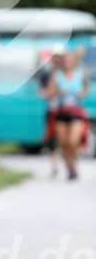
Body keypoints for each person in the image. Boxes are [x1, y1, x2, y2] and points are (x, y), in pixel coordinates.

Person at [46, 50, 89, 179]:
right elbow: (50, 93)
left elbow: (86, 88)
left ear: (74, 62)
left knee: (72, 141)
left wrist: (82, 93)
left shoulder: (80, 73)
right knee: (64, 143)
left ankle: (73, 162)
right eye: (66, 61)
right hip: (61, 112)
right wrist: (59, 92)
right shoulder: (56, 75)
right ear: (63, 62)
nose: (68, 63)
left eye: (70, 61)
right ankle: (70, 167)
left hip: (76, 112)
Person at [38, 47, 65, 178]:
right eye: (54, 57)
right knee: (50, 139)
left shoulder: (68, 73)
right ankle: (55, 166)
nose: (56, 59)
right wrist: (52, 93)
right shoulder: (46, 74)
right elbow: (41, 92)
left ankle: (68, 163)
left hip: (65, 109)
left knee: (65, 138)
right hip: (52, 109)